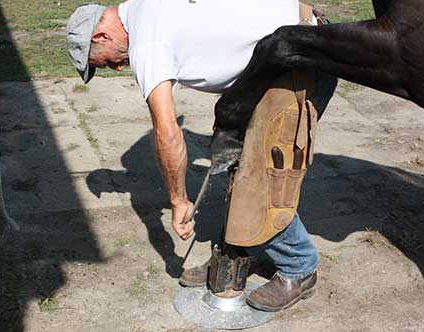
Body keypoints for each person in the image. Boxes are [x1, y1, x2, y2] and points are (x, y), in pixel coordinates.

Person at [66, 0, 335, 312]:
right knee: (233, 157)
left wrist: (179, 200)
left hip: (300, 54)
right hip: (270, 66)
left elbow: (167, 133)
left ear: (100, 37)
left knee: (264, 172)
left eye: (103, 63)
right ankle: (237, 256)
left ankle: (299, 268)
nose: (115, 67)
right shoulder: (142, 9)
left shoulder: (146, 40)